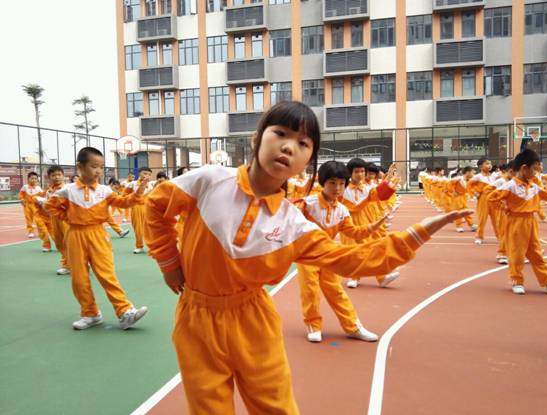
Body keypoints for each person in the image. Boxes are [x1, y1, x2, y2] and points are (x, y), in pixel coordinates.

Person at [143, 101, 471, 414]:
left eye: (303, 144)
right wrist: (168, 261)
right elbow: (155, 205)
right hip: (197, 319)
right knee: (207, 408)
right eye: (280, 133)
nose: (289, 147)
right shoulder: (210, 180)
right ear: (256, 139)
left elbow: (352, 259)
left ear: (307, 162)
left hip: (253, 320)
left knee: (275, 406)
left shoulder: (293, 224)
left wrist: (418, 233)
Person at [44, 147, 149, 329]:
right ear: (80, 166)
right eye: (94, 166)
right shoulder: (68, 190)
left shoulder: (104, 190)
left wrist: (138, 192)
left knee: (106, 274)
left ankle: (125, 311)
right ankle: (90, 313)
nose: (98, 171)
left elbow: (124, 202)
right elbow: (50, 206)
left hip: (98, 234)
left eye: (101, 167)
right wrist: (67, 217)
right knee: (79, 278)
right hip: (75, 235)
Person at [294, 161, 388, 343]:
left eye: (342, 183)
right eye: (332, 183)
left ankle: (352, 326)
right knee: (310, 291)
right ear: (323, 182)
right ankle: (313, 325)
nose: (337, 188)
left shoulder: (342, 210)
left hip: (329, 255)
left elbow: (353, 232)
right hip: (307, 256)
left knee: (336, 290)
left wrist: (372, 227)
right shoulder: (308, 205)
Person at [488, 149, 547, 295]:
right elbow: (491, 198)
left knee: (537, 254)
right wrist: (504, 208)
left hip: (531, 222)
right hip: (516, 222)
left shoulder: (534, 186)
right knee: (517, 254)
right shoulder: (510, 186)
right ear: (524, 168)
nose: (536, 172)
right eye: (534, 168)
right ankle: (517, 280)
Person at [341, 159, 400, 289]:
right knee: (354, 252)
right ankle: (354, 277)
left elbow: (380, 193)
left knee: (373, 249)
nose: (360, 174)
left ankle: (382, 277)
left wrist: (389, 179)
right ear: (350, 173)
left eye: (362, 171)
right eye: (356, 171)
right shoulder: (342, 189)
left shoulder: (367, 189)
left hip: (366, 223)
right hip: (349, 225)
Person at [36, 166, 70, 274]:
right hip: (54, 220)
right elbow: (48, 206)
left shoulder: (67, 189)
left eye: (59, 175)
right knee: (60, 244)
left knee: (70, 242)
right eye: (53, 175)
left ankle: (79, 263)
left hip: (66, 219)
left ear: (63, 176)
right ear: (49, 177)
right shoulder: (49, 191)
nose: (56, 177)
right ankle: (67, 265)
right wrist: (43, 202)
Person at [468, 157, 498, 245]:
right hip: (483, 199)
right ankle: (479, 236)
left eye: (490, 164)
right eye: (487, 164)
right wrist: (474, 193)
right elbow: (469, 185)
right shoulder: (478, 177)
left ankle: (500, 236)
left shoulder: (494, 176)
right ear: (481, 166)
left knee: (497, 220)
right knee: (482, 219)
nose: (490, 165)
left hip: (494, 199)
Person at [19, 171, 51, 251]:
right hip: (27, 205)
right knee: (28, 218)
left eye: (35, 179)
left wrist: (46, 189)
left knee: (38, 220)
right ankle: (30, 231)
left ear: (37, 180)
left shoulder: (38, 188)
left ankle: (41, 232)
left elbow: (43, 195)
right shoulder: (25, 187)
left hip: (35, 206)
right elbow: (21, 194)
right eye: (32, 178)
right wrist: (22, 199)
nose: (33, 180)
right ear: (28, 179)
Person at [125, 167, 154, 254]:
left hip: (147, 208)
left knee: (149, 228)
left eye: (149, 174)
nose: (147, 176)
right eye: (145, 173)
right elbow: (125, 194)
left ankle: (153, 246)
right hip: (136, 207)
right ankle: (139, 246)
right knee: (137, 228)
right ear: (139, 173)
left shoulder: (151, 186)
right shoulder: (132, 184)